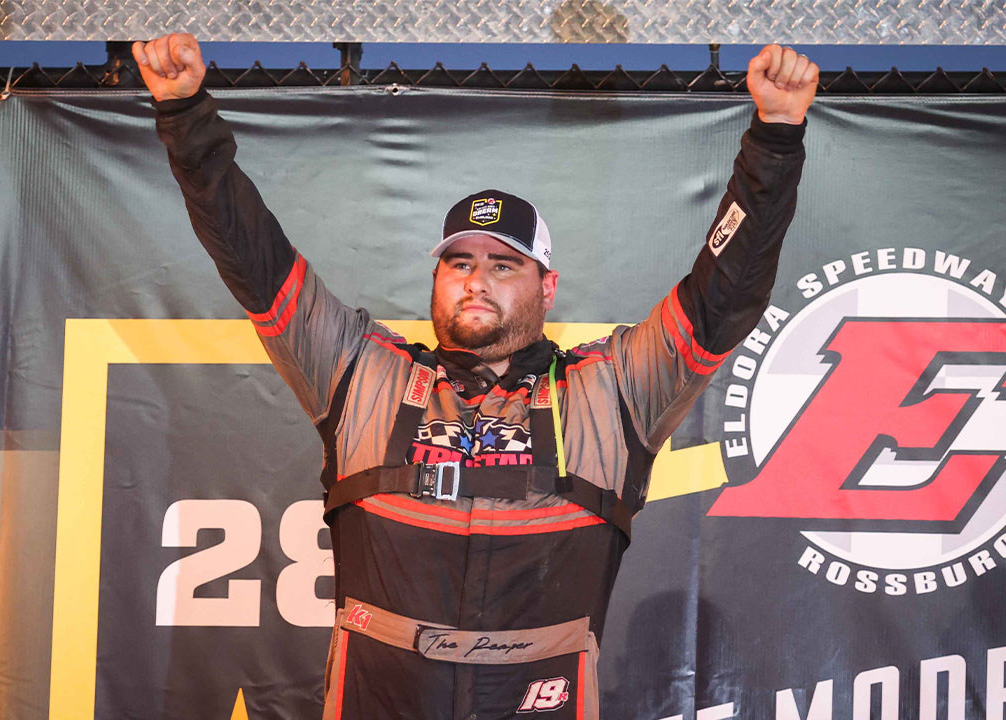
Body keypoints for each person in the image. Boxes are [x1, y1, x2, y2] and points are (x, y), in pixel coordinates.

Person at [134, 32, 818, 720]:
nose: (476, 281)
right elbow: (256, 257)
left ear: (547, 287)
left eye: (503, 264)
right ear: (435, 278)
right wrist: (187, 116)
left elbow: (721, 298)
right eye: (459, 263)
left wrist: (777, 139)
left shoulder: (610, 393)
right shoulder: (360, 373)